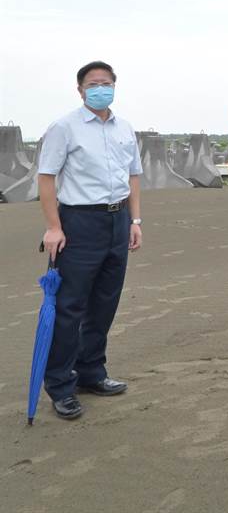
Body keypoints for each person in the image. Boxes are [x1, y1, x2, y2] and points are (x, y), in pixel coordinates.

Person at [38, 61, 143, 420]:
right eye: (93, 83)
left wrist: (135, 220)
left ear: (115, 86)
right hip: (79, 222)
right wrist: (54, 227)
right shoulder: (64, 127)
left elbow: (133, 177)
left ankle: (91, 373)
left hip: (118, 220)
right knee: (70, 307)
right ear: (80, 89)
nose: (100, 88)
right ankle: (60, 385)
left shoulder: (125, 128)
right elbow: (46, 178)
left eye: (106, 82)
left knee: (104, 304)